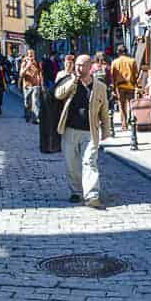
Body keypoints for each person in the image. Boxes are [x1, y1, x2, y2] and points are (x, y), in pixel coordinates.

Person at [55, 55, 112, 207]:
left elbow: (104, 110)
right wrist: (72, 81)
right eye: (77, 65)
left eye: (82, 65)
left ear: (90, 67)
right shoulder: (70, 81)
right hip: (70, 130)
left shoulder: (100, 87)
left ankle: (92, 196)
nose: (79, 68)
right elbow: (58, 94)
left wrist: (106, 130)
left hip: (90, 131)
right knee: (71, 164)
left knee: (89, 162)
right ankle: (76, 191)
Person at [110, 45, 139, 132]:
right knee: (132, 105)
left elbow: (113, 76)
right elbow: (136, 74)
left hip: (120, 87)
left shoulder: (115, 62)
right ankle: (134, 122)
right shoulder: (132, 61)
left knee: (122, 106)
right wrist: (136, 85)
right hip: (130, 86)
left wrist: (114, 88)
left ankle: (124, 125)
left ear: (118, 52)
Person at [20, 49, 43, 125]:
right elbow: (21, 74)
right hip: (27, 85)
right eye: (29, 54)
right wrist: (27, 66)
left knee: (35, 101)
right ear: (27, 55)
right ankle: (28, 115)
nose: (31, 55)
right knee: (27, 103)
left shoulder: (37, 63)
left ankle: (36, 118)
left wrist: (41, 84)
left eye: (32, 54)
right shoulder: (24, 63)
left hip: (36, 85)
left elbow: (40, 73)